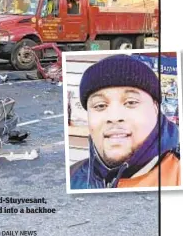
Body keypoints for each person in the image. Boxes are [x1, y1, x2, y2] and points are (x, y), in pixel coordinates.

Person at [70, 54, 181, 190]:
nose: (114, 117)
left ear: (156, 108)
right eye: (100, 105)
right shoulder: (72, 175)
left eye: (131, 102)